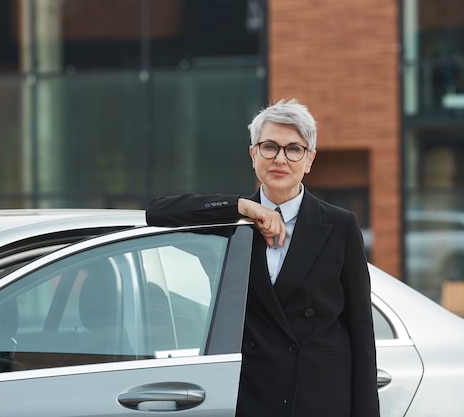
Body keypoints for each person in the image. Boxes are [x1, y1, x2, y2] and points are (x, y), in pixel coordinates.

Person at [145, 98, 380, 417]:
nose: (280, 158)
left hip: (318, 398)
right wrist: (241, 208)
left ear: (309, 160)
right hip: (251, 395)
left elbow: (362, 334)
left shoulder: (340, 225)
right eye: (269, 146)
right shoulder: (230, 223)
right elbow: (157, 212)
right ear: (253, 154)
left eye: (294, 149)